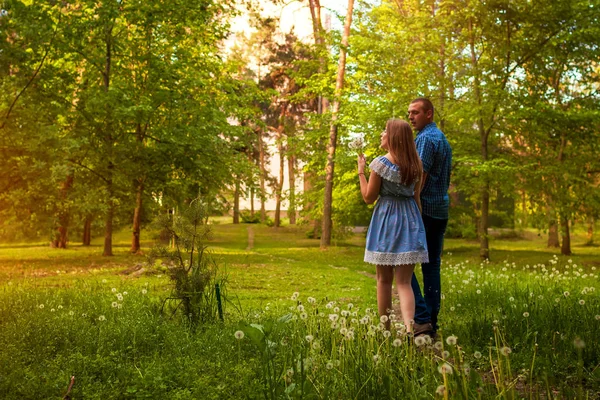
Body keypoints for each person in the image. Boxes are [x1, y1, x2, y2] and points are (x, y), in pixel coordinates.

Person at [357, 119, 429, 333]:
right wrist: (418, 227)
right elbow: (417, 199)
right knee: (405, 282)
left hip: (387, 222)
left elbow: (369, 197)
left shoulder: (380, 164)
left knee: (384, 280)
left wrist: (361, 171)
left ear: (394, 137)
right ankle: (409, 328)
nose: (381, 135)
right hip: (411, 220)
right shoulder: (417, 165)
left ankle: (385, 329)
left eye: (384, 132)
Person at [407, 98, 452, 337]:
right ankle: (432, 320)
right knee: (432, 265)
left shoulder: (424, 139)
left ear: (429, 114)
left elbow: (419, 178)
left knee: (402, 264)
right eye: (409, 113)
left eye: (416, 112)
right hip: (441, 209)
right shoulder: (442, 138)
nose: (411, 117)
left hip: (424, 211)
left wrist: (411, 206)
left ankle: (422, 317)